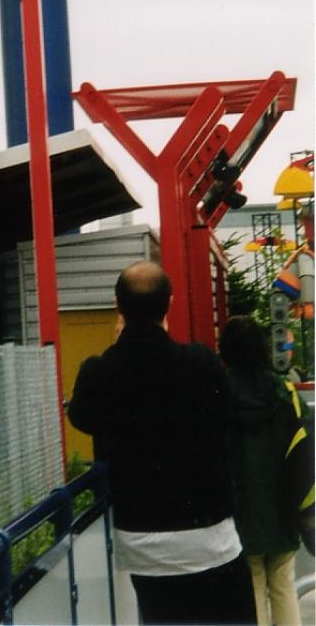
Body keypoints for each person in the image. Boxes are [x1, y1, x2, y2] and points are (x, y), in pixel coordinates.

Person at [67, 261, 257, 626]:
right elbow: (226, 413)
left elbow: (81, 416)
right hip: (210, 537)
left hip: (141, 542)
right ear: (169, 304)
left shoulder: (99, 371)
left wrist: (116, 350)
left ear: (118, 307)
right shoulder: (203, 364)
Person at [219, 314, 311, 626]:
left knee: (252, 587)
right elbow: (304, 451)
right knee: (284, 587)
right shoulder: (286, 394)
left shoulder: (219, 396)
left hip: (238, 513)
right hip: (283, 509)